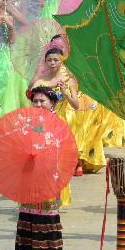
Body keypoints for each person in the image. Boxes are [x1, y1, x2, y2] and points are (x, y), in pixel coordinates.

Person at [11, 85, 77, 250]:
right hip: (28, 178)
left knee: (46, 222)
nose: (38, 104)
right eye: (35, 101)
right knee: (28, 220)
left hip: (48, 178)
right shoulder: (26, 123)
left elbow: (64, 154)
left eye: (42, 101)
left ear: (52, 103)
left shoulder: (58, 124)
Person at [31, 47, 102, 177]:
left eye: (56, 60)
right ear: (45, 62)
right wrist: (44, 85)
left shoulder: (69, 80)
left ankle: (77, 162)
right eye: (49, 60)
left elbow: (75, 105)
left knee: (68, 125)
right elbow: (32, 96)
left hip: (67, 115)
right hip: (47, 117)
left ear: (62, 61)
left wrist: (65, 93)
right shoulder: (42, 80)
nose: (52, 63)